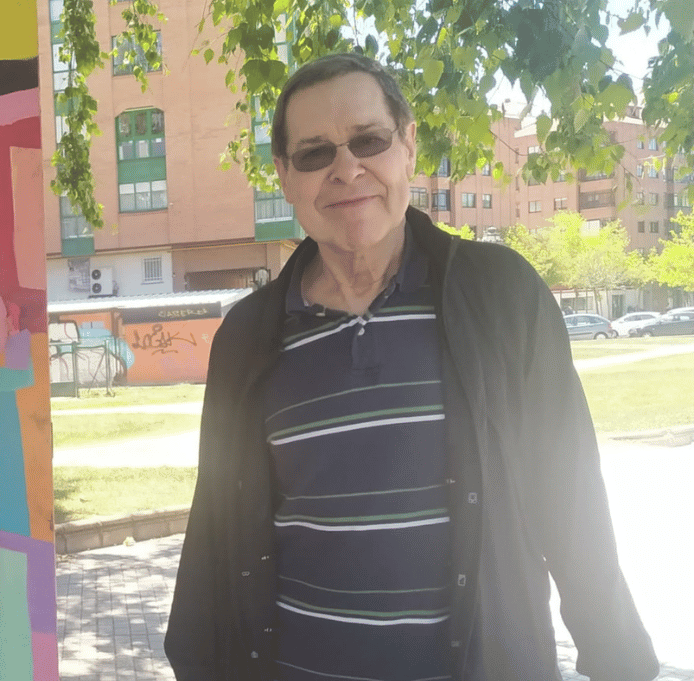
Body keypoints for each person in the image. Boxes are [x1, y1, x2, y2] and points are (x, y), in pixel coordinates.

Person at [164, 53, 657, 681]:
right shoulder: (247, 337)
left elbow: (573, 503)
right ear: (285, 176)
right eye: (315, 153)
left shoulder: (500, 297)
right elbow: (216, 534)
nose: (347, 169)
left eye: (368, 140)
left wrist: (623, 663)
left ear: (408, 147)